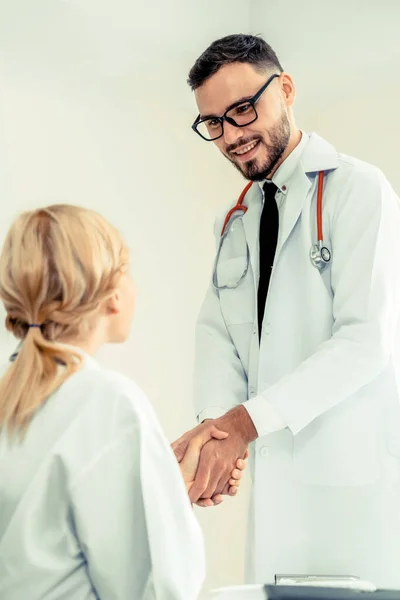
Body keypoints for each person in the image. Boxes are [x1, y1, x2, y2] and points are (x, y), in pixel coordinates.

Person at [172, 34, 400, 586]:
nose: (231, 135)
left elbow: (366, 339)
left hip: (355, 498)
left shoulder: (358, 191)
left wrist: (243, 425)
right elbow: (219, 337)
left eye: (243, 109)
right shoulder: (234, 222)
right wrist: (212, 437)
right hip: (277, 498)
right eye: (214, 123)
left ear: (287, 89)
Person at [0, 204, 245, 600]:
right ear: (112, 295)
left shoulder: (12, 399)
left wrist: (163, 487)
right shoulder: (107, 403)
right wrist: (164, 503)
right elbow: (158, 588)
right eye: (127, 269)